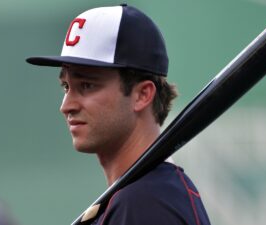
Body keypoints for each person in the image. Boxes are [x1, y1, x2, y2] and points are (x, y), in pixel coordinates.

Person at [26, 4, 211, 225]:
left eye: (86, 85)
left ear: (142, 95)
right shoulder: (138, 196)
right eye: (66, 87)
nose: (67, 105)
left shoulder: (146, 203)